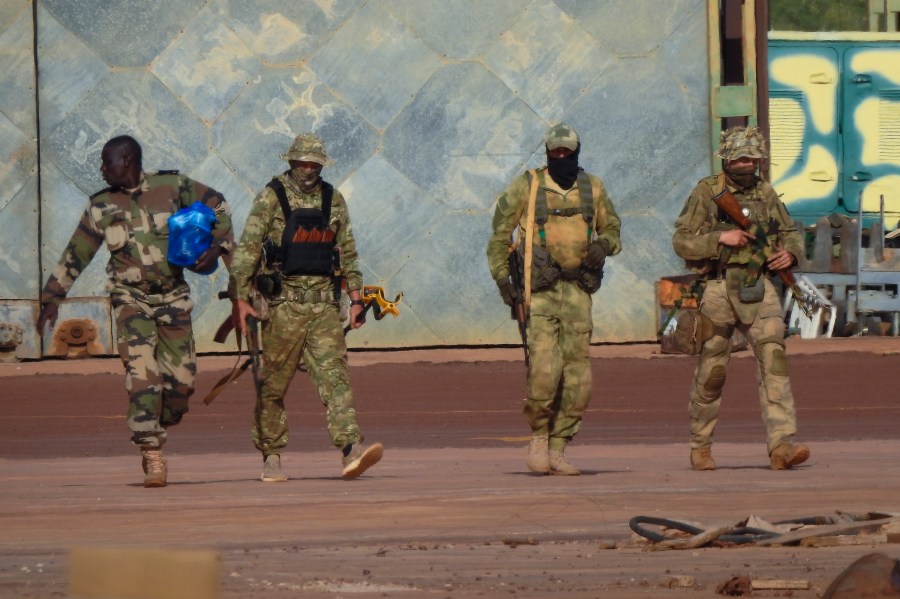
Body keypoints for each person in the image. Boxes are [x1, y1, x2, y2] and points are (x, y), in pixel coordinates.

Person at [36, 135, 234, 488]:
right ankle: (151, 451)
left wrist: (218, 245)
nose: (101, 169)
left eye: (105, 162)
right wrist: (51, 298)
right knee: (143, 375)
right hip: (130, 300)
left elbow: (218, 205)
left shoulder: (172, 186)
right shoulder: (101, 206)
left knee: (181, 385)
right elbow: (75, 254)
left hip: (173, 297)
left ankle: (159, 421)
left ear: (126, 160)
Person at [228, 132, 383, 482]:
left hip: (324, 306)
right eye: (301, 163)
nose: (308, 169)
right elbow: (249, 250)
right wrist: (240, 299)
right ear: (291, 161)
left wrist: (357, 300)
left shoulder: (333, 199)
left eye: (314, 164)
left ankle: (351, 449)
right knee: (272, 384)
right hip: (284, 306)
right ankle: (271, 457)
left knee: (336, 378)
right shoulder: (272, 196)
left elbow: (349, 251)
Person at [672, 125, 811, 471]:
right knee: (712, 372)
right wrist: (721, 239)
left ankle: (782, 446)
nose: (747, 163)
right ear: (728, 159)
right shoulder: (707, 192)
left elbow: (791, 233)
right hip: (718, 291)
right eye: (740, 157)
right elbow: (681, 240)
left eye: (753, 157)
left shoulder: (766, 192)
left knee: (774, 366)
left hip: (758, 288)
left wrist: (790, 256)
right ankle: (700, 445)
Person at [486, 123, 621, 476]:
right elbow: (499, 236)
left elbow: (613, 228)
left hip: (578, 293)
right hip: (540, 295)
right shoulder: (527, 186)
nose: (561, 157)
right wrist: (504, 281)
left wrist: (603, 245)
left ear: (577, 151)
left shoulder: (592, 187)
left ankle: (560, 446)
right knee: (544, 372)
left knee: (579, 379)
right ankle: (539, 437)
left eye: (567, 152)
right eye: (555, 152)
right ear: (547, 152)